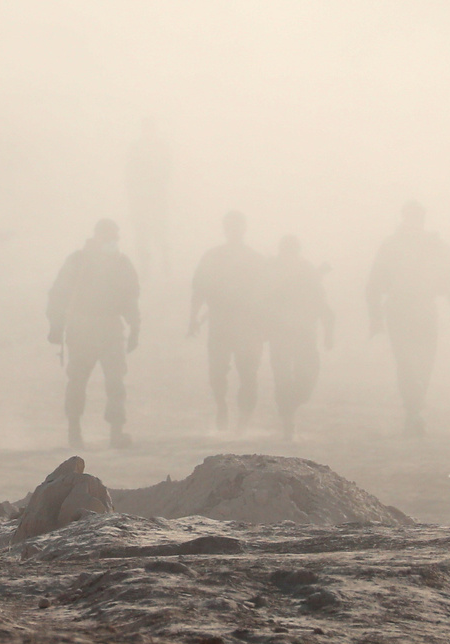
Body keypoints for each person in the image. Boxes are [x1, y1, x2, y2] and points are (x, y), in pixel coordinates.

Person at [367, 201, 450, 437]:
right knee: (407, 363)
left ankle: (414, 407)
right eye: (410, 216)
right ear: (404, 217)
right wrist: (375, 316)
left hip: (424, 309)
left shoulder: (435, 246)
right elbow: (375, 282)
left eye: (416, 217)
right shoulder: (391, 246)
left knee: (424, 363)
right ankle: (413, 410)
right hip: (399, 309)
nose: (413, 221)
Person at [47, 218, 140, 449]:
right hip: (83, 328)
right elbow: (58, 294)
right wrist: (56, 326)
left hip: (110, 328)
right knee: (78, 381)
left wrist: (135, 326)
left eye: (114, 237)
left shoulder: (121, 263)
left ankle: (116, 432)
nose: (112, 241)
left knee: (116, 382)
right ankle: (74, 430)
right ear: (97, 236)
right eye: (108, 236)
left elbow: (130, 297)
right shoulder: (78, 261)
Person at [189, 211, 267, 433]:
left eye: (237, 226)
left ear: (243, 229)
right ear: (226, 229)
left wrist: (265, 326)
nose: (234, 231)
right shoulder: (213, 256)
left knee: (248, 373)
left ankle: (242, 420)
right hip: (220, 321)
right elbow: (199, 288)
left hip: (247, 324)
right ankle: (221, 407)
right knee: (217, 372)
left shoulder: (255, 259)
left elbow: (267, 296)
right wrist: (192, 318)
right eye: (230, 227)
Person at [267, 235, 334, 441]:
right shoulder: (270, 271)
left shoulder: (307, 271)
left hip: (305, 333)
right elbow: (260, 301)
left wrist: (328, 332)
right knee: (283, 379)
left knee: (307, 379)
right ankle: (288, 420)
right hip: (280, 333)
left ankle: (289, 406)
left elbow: (321, 302)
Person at [125, 118, 172, 276]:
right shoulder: (138, 148)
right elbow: (130, 172)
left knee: (158, 230)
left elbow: (167, 170)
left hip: (153, 196)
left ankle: (164, 265)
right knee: (143, 232)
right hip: (143, 197)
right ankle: (148, 267)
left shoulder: (157, 147)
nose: (149, 131)